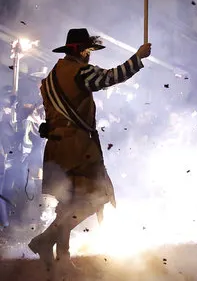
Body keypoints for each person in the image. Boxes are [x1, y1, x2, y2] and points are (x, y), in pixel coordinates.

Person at [27, 28, 151, 271]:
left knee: (67, 204)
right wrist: (137, 58)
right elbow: (110, 77)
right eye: (88, 51)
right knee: (95, 198)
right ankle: (44, 241)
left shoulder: (49, 78)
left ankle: (63, 259)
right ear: (82, 51)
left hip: (56, 148)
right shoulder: (79, 71)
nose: (90, 55)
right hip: (77, 149)